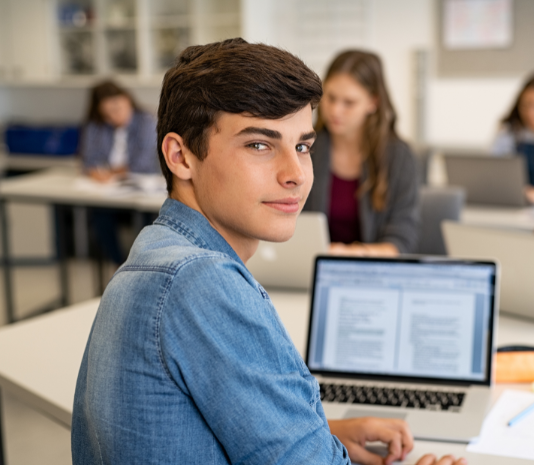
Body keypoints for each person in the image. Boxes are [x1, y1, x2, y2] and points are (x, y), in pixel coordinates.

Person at [72, 39, 466, 465]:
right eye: (260, 145)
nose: (295, 174)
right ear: (180, 156)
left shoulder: (156, 252)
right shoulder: (203, 282)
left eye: (303, 147)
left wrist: (321, 433)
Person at [303, 50, 419, 256]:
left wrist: (353, 254)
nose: (335, 110)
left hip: (370, 271)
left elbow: (401, 239)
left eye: (349, 103)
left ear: (373, 102)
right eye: (330, 97)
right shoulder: (306, 147)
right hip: (308, 267)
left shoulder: (398, 157)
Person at [80, 80, 160, 264]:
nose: (115, 116)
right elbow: (88, 160)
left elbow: (142, 163)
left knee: (146, 221)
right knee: (99, 217)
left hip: (140, 189)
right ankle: (120, 266)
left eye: (118, 108)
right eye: (108, 113)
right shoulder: (97, 126)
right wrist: (95, 173)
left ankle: (141, 266)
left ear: (127, 101)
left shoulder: (146, 122)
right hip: (109, 192)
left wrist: (111, 172)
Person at [491, 74, 534, 204]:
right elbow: (493, 173)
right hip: (516, 204)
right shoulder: (509, 133)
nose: (530, 113)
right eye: (526, 105)